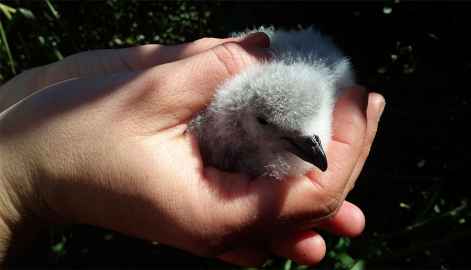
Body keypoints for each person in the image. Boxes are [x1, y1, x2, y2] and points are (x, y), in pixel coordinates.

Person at [0, 32, 384, 266]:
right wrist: (24, 186)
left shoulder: (299, 105)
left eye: (311, 132)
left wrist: (44, 89)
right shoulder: (230, 114)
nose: (314, 150)